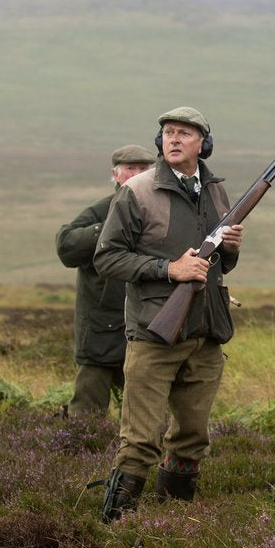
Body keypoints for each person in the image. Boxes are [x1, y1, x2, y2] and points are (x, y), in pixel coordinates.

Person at [92, 106, 244, 522]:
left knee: (193, 436)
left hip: (207, 331)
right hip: (154, 332)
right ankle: (116, 525)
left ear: (203, 144)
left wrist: (229, 249)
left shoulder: (215, 191)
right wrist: (167, 269)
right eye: (167, 133)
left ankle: (175, 525)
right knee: (140, 439)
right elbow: (107, 259)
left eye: (184, 133)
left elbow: (220, 267)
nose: (173, 139)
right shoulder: (137, 191)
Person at [55, 144, 156, 417]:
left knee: (146, 412)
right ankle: (77, 458)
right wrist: (108, 226)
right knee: (86, 414)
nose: (136, 175)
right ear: (116, 174)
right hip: (100, 329)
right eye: (129, 169)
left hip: (146, 326)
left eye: (143, 169)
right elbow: (66, 246)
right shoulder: (101, 211)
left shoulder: (161, 211)